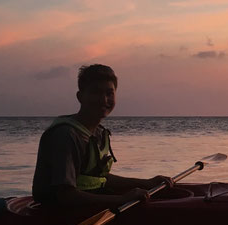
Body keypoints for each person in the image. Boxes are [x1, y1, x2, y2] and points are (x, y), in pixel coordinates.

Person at [32, 64, 173, 207]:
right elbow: (66, 195)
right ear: (80, 97)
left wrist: (147, 183)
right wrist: (122, 200)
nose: (104, 100)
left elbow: (99, 179)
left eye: (109, 93)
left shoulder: (99, 133)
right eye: (96, 93)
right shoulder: (65, 136)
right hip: (58, 215)